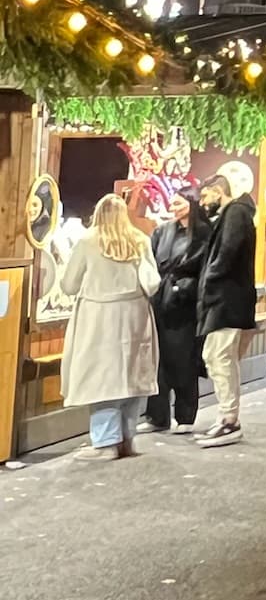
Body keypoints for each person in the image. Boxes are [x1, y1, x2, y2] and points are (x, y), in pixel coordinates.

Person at [60, 194, 162, 460]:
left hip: (98, 317)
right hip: (135, 316)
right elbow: (152, 283)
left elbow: (69, 285)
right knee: (131, 377)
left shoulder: (87, 241)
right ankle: (128, 439)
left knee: (101, 379)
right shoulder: (140, 240)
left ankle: (105, 443)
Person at [196, 164, 259, 447]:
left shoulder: (235, 213)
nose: (202, 203)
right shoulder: (240, 213)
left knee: (219, 357)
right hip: (230, 299)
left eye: (205, 195)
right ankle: (227, 417)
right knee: (219, 357)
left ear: (219, 191)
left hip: (227, 300)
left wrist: (211, 277)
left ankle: (229, 420)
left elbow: (228, 251)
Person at [144, 192, 211, 432]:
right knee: (158, 361)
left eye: (179, 202)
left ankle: (185, 416)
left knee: (183, 360)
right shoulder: (163, 231)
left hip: (185, 303)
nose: (173, 206)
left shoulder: (204, 233)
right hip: (160, 300)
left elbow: (204, 269)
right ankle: (157, 415)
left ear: (191, 205)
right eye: (171, 202)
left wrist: (186, 288)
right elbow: (151, 261)